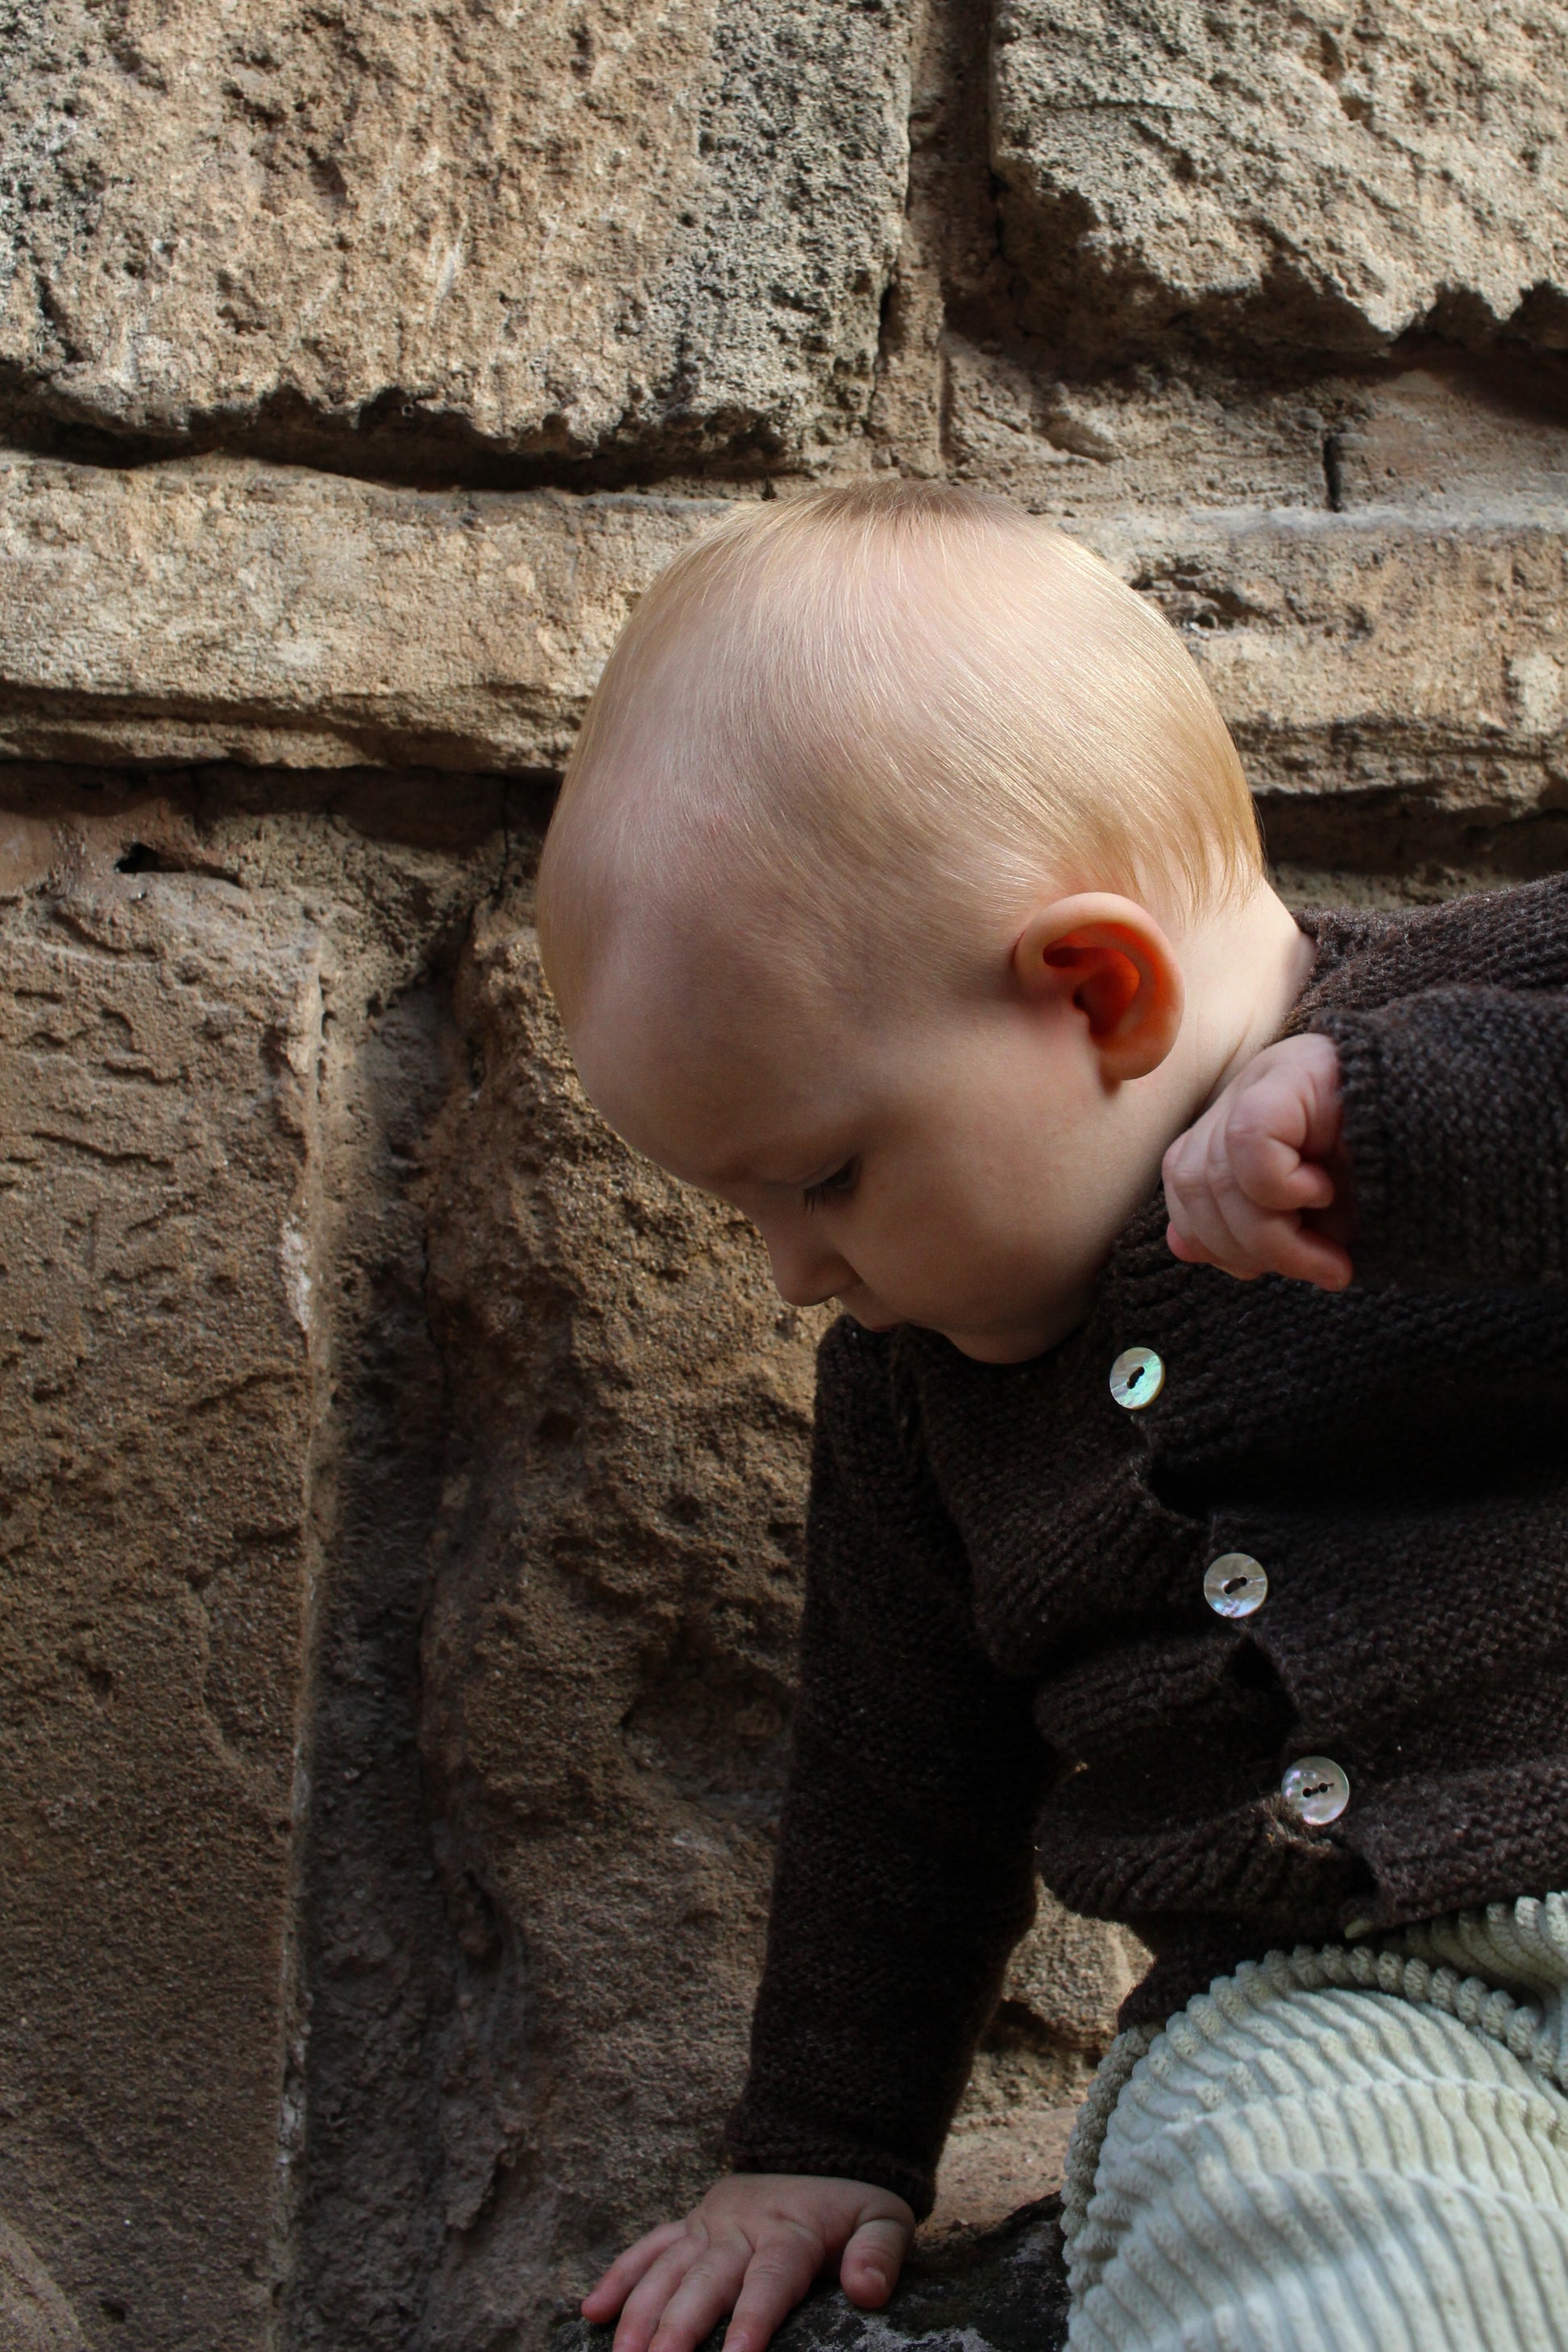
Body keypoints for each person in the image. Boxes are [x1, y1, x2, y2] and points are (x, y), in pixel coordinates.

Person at [535, 479, 1568, 2352]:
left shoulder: (1473, 1004)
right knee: (1315, 2233)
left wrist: (1411, 1133)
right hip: (1341, 2013)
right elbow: (895, 1775)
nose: (789, 1271)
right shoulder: (922, 1399)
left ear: (1093, 991)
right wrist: (823, 2139)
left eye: (825, 1175)